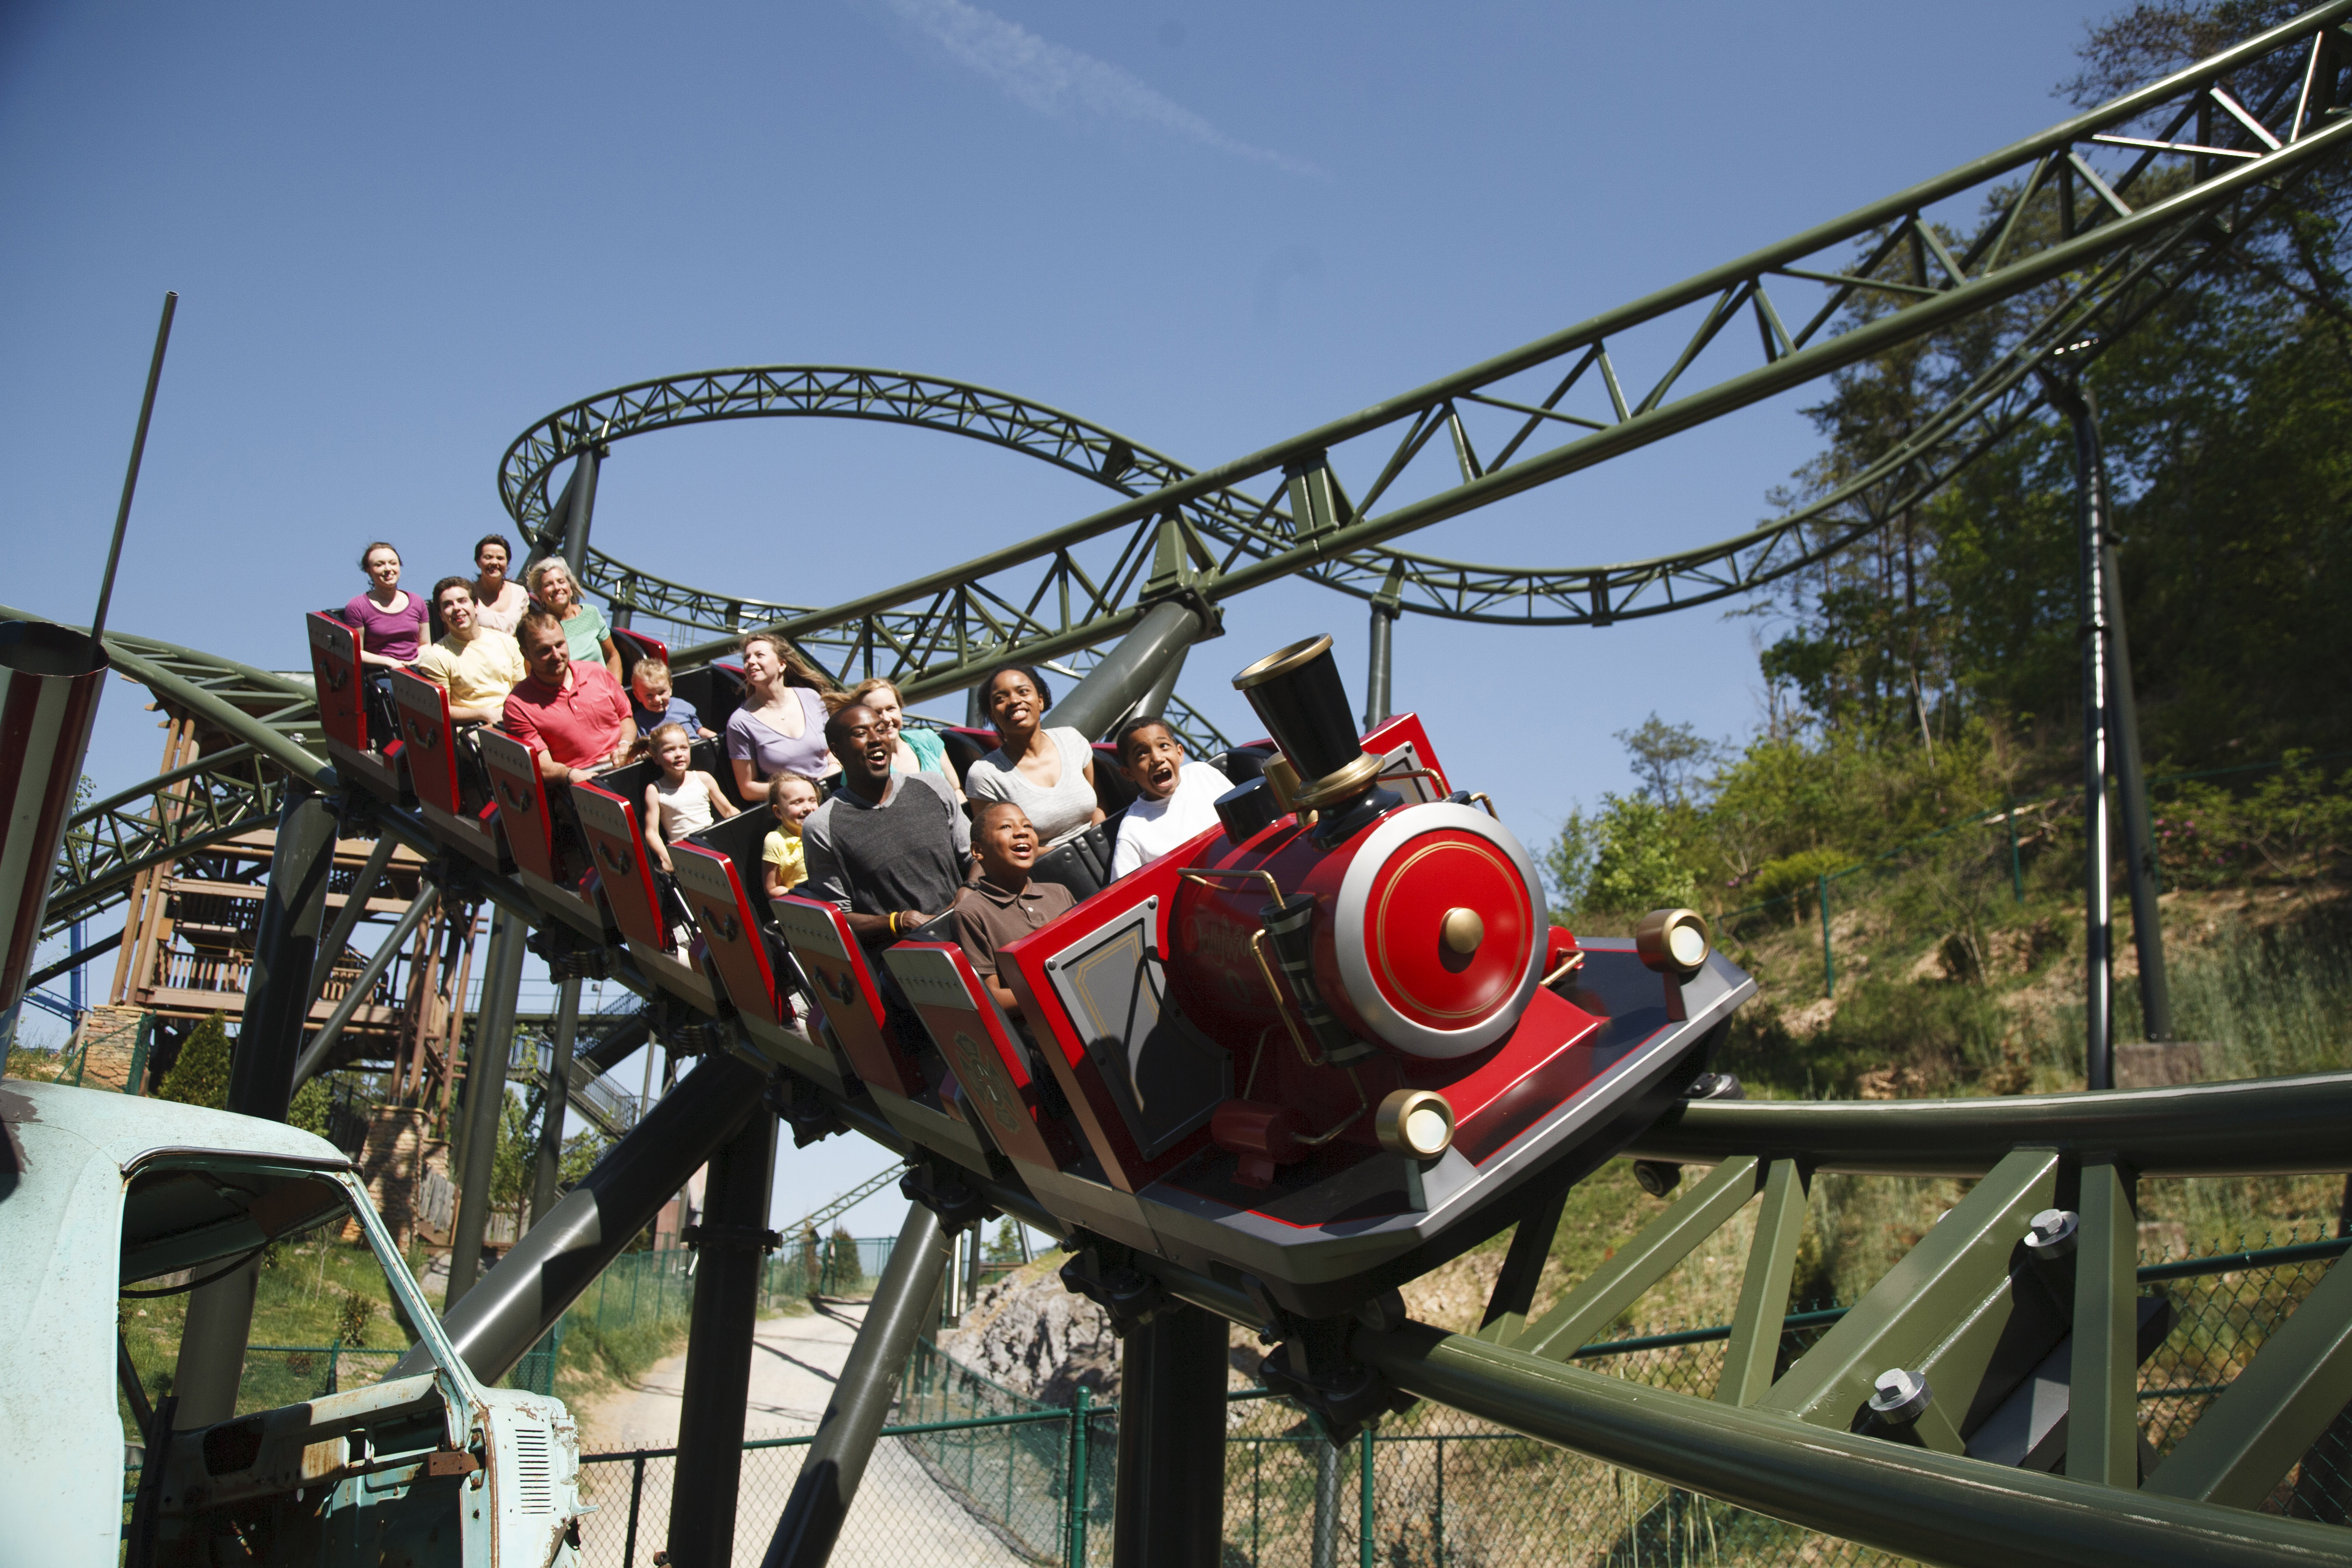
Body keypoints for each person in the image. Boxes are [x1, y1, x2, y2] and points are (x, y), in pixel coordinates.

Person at [801, 703, 969, 947]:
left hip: (967, 930)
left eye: (880, 730)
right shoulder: (821, 826)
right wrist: (898, 922)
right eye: (861, 734)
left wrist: (969, 892)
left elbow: (976, 858)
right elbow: (837, 919)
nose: (876, 739)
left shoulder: (933, 786)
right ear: (837, 751)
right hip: (910, 957)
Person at [953, 801, 1075, 1027]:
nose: (1021, 832)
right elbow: (992, 997)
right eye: (1006, 827)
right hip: (1046, 1029)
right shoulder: (971, 913)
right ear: (978, 851)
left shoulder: (1059, 892)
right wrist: (1060, 986)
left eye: (1027, 826)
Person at [963, 663, 1103, 851]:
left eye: (1023, 692)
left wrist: (1098, 842)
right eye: (1000, 698)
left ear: (1040, 701)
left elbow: (1099, 804)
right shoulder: (985, 775)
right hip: (1046, 871)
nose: (1014, 701)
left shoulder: (1072, 740)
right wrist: (1068, 854)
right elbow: (997, 846)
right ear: (993, 715)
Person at [502, 611, 637, 783]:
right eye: (544, 650)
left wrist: (625, 744)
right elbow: (543, 765)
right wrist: (573, 775)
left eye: (559, 645)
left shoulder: (596, 672)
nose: (556, 655)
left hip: (625, 764)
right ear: (526, 654)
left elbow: (626, 718)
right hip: (579, 781)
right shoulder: (518, 705)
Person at [1108, 717, 1234, 879]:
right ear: (1128, 773)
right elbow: (1125, 894)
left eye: (1163, 746)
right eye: (1142, 754)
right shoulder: (1132, 830)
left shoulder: (1202, 773)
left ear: (1180, 753)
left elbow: (1244, 817)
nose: (1158, 759)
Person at [727, 632, 839, 799]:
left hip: (833, 791)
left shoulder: (811, 698)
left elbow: (832, 750)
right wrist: (800, 789)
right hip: (790, 807)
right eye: (746, 658)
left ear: (782, 664)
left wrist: (833, 769)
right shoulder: (741, 722)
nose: (751, 662)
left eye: (759, 655)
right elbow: (748, 789)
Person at [412, 577, 528, 724]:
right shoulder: (436, 657)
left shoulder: (507, 642)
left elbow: (521, 689)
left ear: (476, 606)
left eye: (462, 601)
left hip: (516, 718)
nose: (457, 608)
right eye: (448, 605)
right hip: (475, 728)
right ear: (441, 615)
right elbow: (441, 710)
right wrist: (484, 714)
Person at [842, 677, 962, 797]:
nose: (887, 719)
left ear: (900, 708)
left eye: (891, 709)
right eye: (877, 713)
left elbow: (956, 790)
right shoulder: (857, 764)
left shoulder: (928, 739)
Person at [643, 723, 738, 873]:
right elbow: (652, 833)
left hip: (712, 846)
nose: (679, 754)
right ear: (656, 758)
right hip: (684, 853)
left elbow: (729, 811)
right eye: (670, 750)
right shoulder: (655, 790)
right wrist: (667, 858)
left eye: (684, 748)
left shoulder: (703, 778)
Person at [526, 556, 623, 683]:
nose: (557, 588)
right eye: (549, 584)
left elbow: (612, 656)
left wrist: (616, 689)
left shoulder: (591, 613)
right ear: (541, 596)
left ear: (570, 588)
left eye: (561, 582)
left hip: (601, 693)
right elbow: (529, 672)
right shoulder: (539, 628)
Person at [344, 542, 429, 670]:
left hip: (417, 668)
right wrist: (389, 662)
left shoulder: (417, 602)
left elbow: (425, 644)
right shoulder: (358, 606)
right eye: (379, 565)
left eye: (393, 563)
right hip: (383, 673)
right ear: (369, 571)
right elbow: (357, 652)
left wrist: (417, 660)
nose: (388, 569)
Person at [762, 771, 822, 898]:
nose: (808, 808)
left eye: (812, 800)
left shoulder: (823, 830)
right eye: (797, 802)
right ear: (778, 812)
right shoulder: (775, 841)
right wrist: (804, 897)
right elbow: (772, 889)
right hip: (805, 904)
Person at [630, 656, 712, 739]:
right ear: (638, 696)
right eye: (649, 695)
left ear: (670, 689)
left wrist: (715, 738)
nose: (657, 700)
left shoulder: (683, 706)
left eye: (662, 693)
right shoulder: (639, 722)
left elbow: (699, 730)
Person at [468, 534, 532, 634]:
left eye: (500, 558)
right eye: (488, 557)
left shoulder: (519, 593)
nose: (494, 562)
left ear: (507, 563)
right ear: (478, 562)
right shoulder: (468, 594)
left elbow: (526, 633)